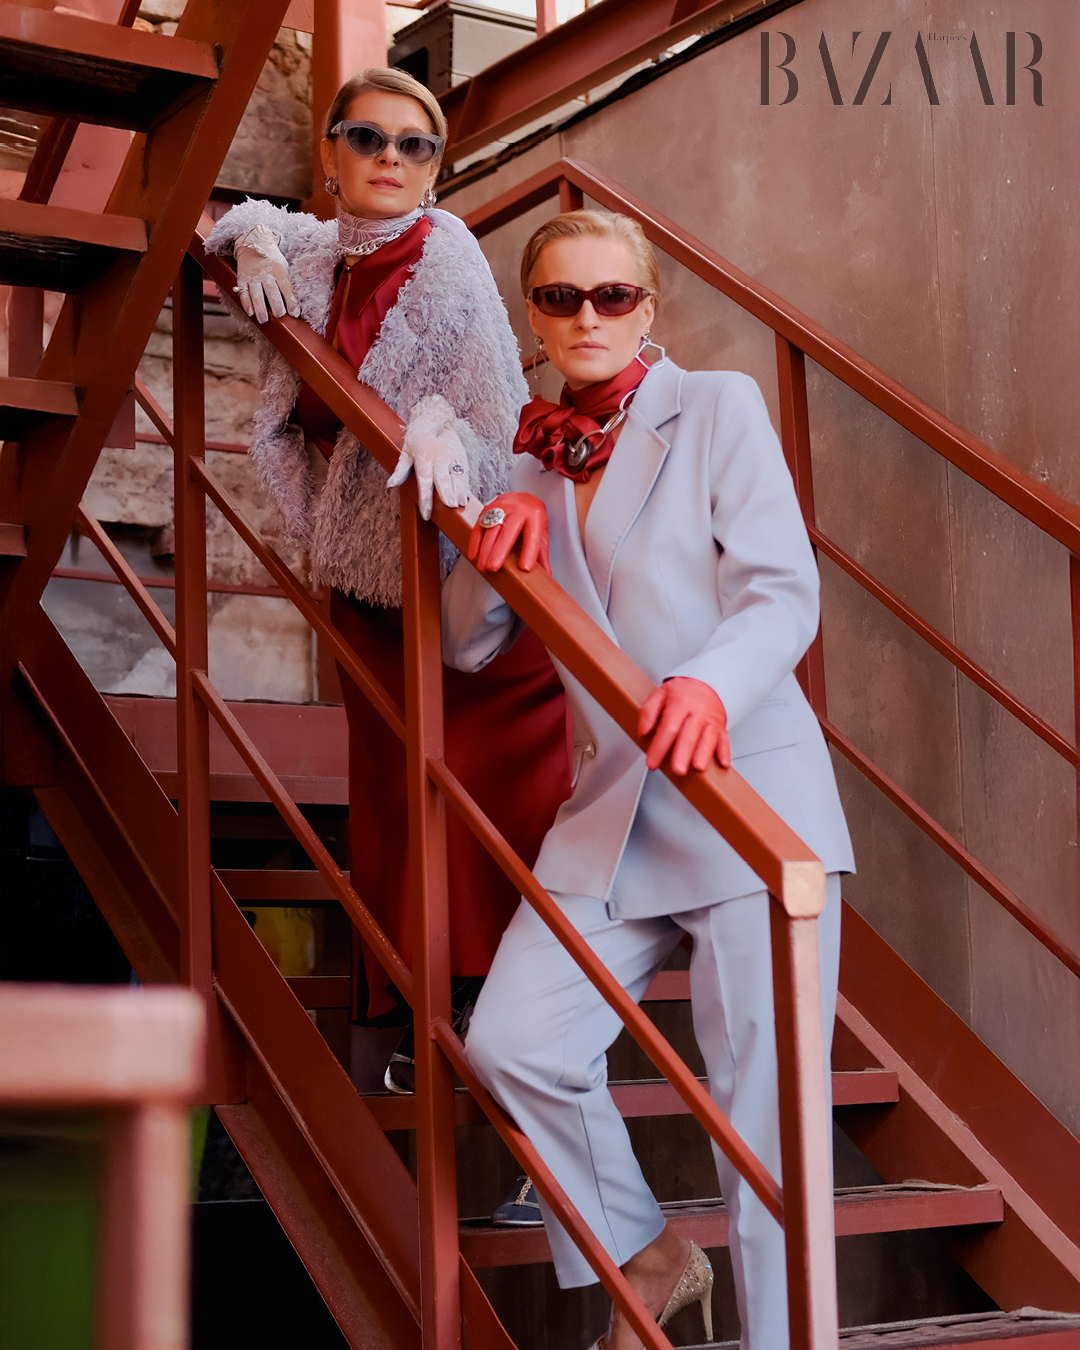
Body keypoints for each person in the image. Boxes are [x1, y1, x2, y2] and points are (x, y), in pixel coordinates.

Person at [440, 210, 855, 1350]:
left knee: (767, 1134)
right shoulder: (526, 460)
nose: (588, 317)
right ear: (532, 316)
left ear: (649, 307)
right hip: (611, 817)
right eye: (560, 298)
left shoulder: (716, 407)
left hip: (745, 798)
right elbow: (466, 646)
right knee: (513, 1043)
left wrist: (710, 685)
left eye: (612, 295)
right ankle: (650, 1256)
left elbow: (781, 590)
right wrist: (493, 542)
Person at [204, 69, 570, 1126]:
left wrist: (438, 432)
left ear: (436, 169)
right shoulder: (322, 248)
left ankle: (498, 1021)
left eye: (416, 145)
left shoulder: (446, 261)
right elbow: (243, 219)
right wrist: (254, 243)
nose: (391, 159)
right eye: (368, 138)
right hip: (366, 571)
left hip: (454, 582)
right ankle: (411, 1013)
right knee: (393, 792)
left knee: (471, 792)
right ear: (331, 153)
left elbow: (499, 432)